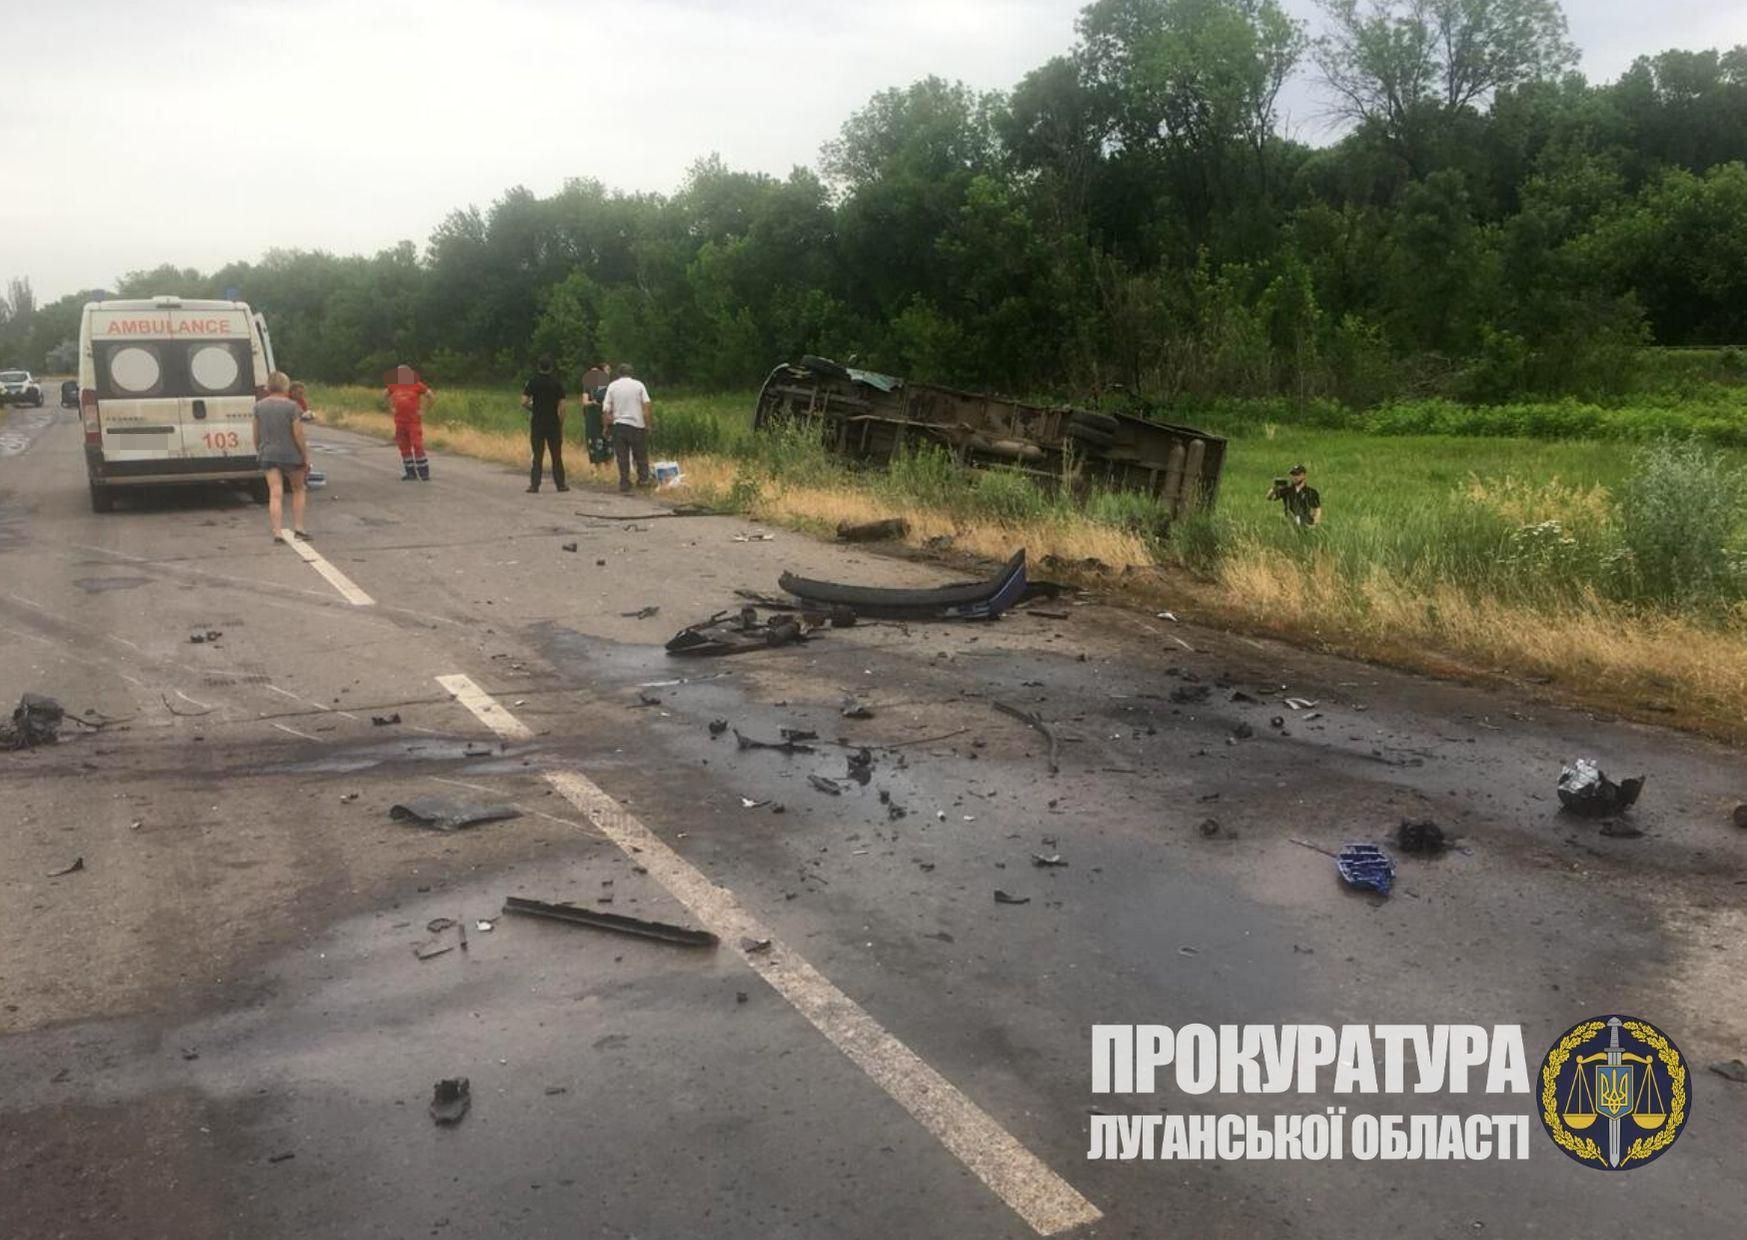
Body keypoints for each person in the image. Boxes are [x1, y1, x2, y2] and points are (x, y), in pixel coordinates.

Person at [252, 371, 310, 543]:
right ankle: (299, 527)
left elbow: (256, 434)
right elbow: (298, 434)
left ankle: (277, 532)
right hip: (291, 454)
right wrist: (304, 455)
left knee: (275, 492)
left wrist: (260, 449)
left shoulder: (259, 407)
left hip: (269, 453)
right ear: (286, 385)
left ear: (268, 386)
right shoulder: (293, 407)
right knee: (298, 489)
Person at [602, 363, 652, 493]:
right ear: (632, 373)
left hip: (619, 425)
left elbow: (606, 409)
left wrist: (606, 427)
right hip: (637, 425)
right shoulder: (639, 385)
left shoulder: (612, 386)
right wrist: (648, 425)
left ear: (619, 373)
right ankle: (643, 480)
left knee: (622, 456)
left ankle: (624, 481)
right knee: (640, 454)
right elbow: (646, 406)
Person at [521, 356, 569, 493]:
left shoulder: (533, 382)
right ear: (551, 367)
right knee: (556, 454)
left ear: (538, 367)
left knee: (537, 455)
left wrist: (533, 408)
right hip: (553, 422)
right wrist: (561, 422)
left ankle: (534, 485)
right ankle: (560, 484)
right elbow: (563, 406)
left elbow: (524, 401)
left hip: (538, 422)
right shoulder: (556, 383)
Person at [385, 364, 432, 480]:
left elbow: (430, 396)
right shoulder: (393, 385)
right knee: (404, 447)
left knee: (417, 445)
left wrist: (424, 410)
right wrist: (391, 408)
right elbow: (385, 395)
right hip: (400, 422)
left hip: (413, 421)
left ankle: (424, 473)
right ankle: (410, 473)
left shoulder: (417, 384)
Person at [580, 361, 612, 466]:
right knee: (595, 441)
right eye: (607, 370)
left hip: (606, 417)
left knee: (608, 442)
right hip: (593, 417)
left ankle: (608, 466)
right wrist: (592, 402)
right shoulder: (589, 387)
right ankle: (597, 466)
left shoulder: (610, 387)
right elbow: (584, 402)